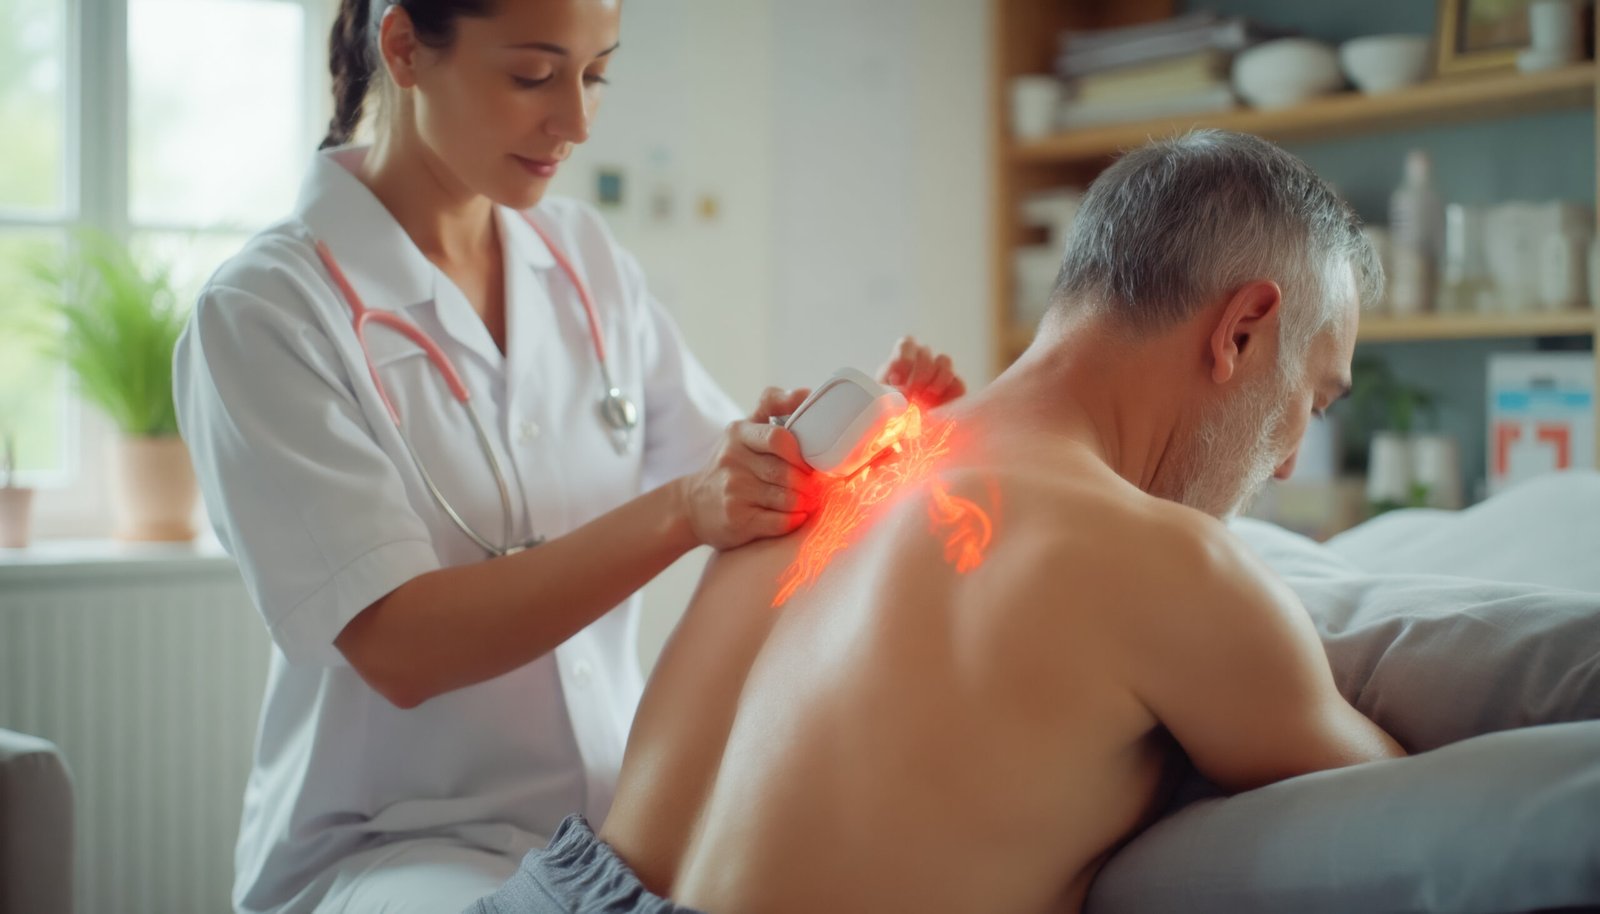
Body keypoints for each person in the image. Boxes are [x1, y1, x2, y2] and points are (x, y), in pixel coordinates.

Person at [467, 130, 1409, 914]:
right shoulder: (1169, 565)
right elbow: (1404, 812)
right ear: (1242, 330)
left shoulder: (816, 463)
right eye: (1314, 400)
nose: (1287, 461)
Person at [171, 1, 966, 912]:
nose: (577, 123)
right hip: (400, 844)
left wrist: (837, 442)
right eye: (532, 76)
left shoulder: (583, 258)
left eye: (595, 75)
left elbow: (719, 467)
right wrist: (683, 509)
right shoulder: (267, 310)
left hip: (615, 818)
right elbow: (402, 646)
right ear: (404, 47)